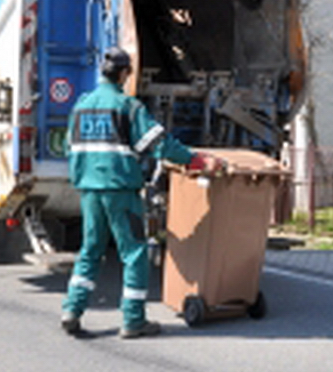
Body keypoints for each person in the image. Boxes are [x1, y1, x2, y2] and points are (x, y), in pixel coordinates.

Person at [61, 47, 221, 339]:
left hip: (89, 190)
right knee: (134, 253)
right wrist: (196, 160)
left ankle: (72, 309)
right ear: (124, 74)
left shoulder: (81, 106)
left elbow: (67, 148)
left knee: (90, 251)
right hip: (120, 191)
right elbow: (161, 145)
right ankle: (133, 320)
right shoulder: (128, 107)